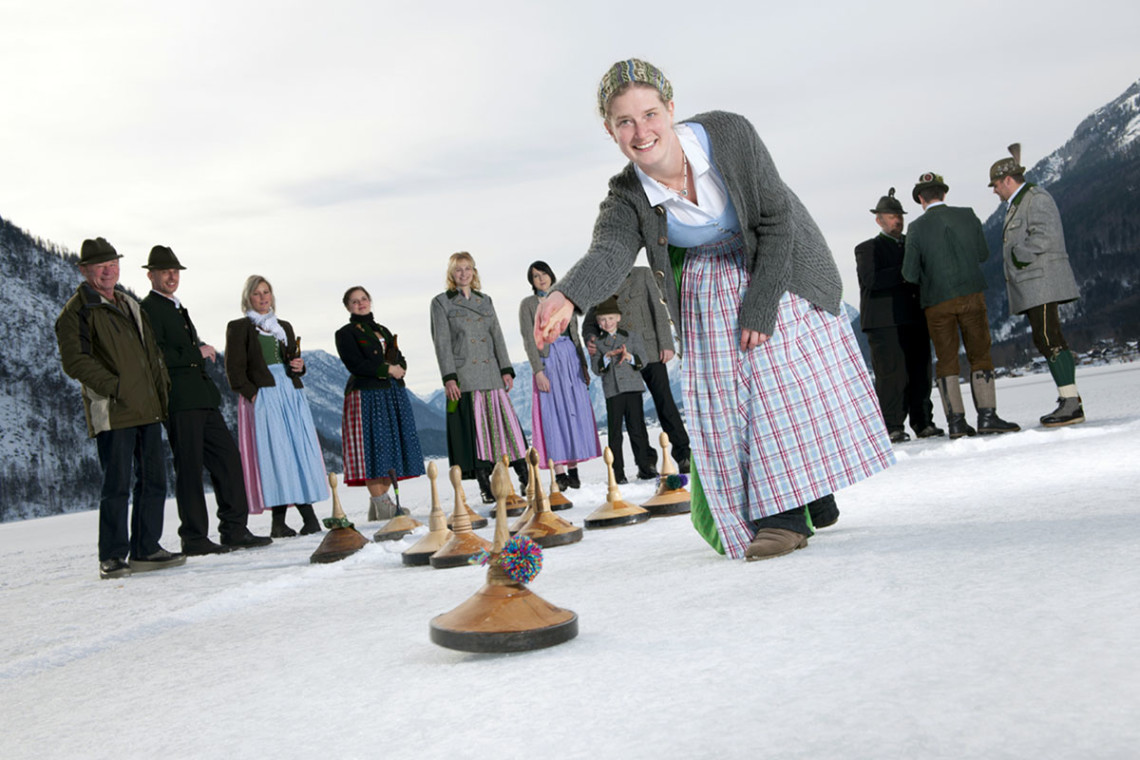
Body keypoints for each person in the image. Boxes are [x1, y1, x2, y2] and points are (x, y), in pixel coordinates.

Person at [534, 59, 890, 561]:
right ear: (610, 130)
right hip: (707, 281)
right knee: (729, 392)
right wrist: (566, 295)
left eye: (650, 113)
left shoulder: (730, 132)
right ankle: (795, 507)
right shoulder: (626, 194)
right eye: (625, 122)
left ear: (671, 109)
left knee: (780, 377)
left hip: (776, 260)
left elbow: (776, 220)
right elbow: (608, 251)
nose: (642, 132)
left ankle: (797, 504)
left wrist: (760, 307)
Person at [55, 237, 186, 579]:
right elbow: (75, 361)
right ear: (84, 270)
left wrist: (162, 390)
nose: (108, 270)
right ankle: (112, 556)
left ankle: (146, 548)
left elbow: (151, 354)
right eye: (100, 265)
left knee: (154, 481)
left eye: (112, 264)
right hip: (113, 410)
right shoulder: (77, 311)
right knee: (117, 485)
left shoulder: (129, 303)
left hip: (148, 407)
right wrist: (116, 387)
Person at [141, 246, 272, 555]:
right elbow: (155, 355)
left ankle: (234, 529)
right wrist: (195, 352)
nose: (172, 277)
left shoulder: (175, 306)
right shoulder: (148, 308)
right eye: (164, 272)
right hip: (179, 400)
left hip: (202, 397)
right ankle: (195, 537)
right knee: (188, 469)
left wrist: (199, 346)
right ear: (151, 276)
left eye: (175, 272)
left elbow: (181, 345)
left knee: (228, 460)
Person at [901, 172, 1021, 438]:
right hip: (971, 296)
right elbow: (982, 253)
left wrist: (930, 277)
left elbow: (909, 273)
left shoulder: (917, 228)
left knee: (946, 360)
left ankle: (956, 422)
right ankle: (988, 417)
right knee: (980, 354)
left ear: (921, 198)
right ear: (944, 193)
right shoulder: (967, 215)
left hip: (936, 303)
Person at [225, 275, 328, 537]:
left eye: (266, 292)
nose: (262, 298)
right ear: (248, 298)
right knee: (276, 454)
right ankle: (302, 519)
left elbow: (292, 362)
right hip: (265, 395)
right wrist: (254, 395)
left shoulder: (283, 326)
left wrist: (299, 367)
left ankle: (284, 523)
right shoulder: (239, 327)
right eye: (257, 294)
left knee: (295, 451)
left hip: (290, 394)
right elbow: (235, 372)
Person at [989, 144, 1084, 426]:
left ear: (1007, 180)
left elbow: (1045, 235)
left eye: (995, 185)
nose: (994, 191)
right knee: (1046, 338)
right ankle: (1070, 399)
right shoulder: (1020, 202)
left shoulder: (1036, 198)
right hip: (1033, 284)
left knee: (1049, 339)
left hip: (1041, 282)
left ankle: (1070, 403)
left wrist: (1019, 256)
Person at [430, 252, 529, 504]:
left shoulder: (485, 301)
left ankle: (526, 476)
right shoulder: (441, 302)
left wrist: (506, 368)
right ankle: (486, 485)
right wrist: (449, 377)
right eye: (458, 269)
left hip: (491, 372)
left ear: (474, 272)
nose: (463, 273)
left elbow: (497, 335)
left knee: (507, 427)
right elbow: (442, 344)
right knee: (479, 433)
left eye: (468, 268)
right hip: (465, 376)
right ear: (451, 274)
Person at [581, 265, 691, 471]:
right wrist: (591, 338)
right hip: (620, 358)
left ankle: (683, 453)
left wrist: (666, 343)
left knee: (665, 401)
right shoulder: (599, 280)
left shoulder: (643, 274)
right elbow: (589, 323)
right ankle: (646, 461)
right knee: (634, 414)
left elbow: (658, 310)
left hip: (650, 350)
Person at [855, 188, 942, 443]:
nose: (897, 220)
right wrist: (906, 270)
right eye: (891, 216)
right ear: (878, 219)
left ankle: (923, 422)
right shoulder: (868, 249)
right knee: (891, 376)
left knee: (920, 373)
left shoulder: (912, 246)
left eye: (899, 216)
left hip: (915, 318)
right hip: (884, 323)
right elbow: (872, 280)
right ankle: (892, 426)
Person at [334, 286, 425, 518]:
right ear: (347, 306)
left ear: (370, 301)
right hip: (367, 394)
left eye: (364, 299)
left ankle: (379, 504)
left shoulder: (383, 329)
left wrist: (401, 368)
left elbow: (398, 355)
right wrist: (388, 369)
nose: (360, 303)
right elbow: (356, 364)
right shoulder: (345, 333)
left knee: (388, 447)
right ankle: (381, 502)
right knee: (373, 446)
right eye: (354, 301)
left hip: (390, 391)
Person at [518, 261, 601, 490]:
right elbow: (528, 339)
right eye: (535, 276)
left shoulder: (565, 299)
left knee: (573, 411)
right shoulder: (528, 305)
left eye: (543, 273)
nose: (541, 278)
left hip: (571, 359)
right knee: (553, 414)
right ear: (532, 282)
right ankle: (559, 471)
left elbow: (575, 335)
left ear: (551, 275)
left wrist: (583, 365)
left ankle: (574, 470)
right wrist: (538, 371)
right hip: (548, 358)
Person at [591, 297, 656, 484]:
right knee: (615, 433)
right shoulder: (598, 344)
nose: (607, 323)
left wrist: (628, 357)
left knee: (637, 429)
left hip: (633, 388)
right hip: (613, 392)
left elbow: (642, 361)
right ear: (598, 322)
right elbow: (596, 369)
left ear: (618, 318)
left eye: (610, 318)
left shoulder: (631, 337)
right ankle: (617, 473)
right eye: (602, 320)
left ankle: (645, 467)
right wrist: (605, 358)